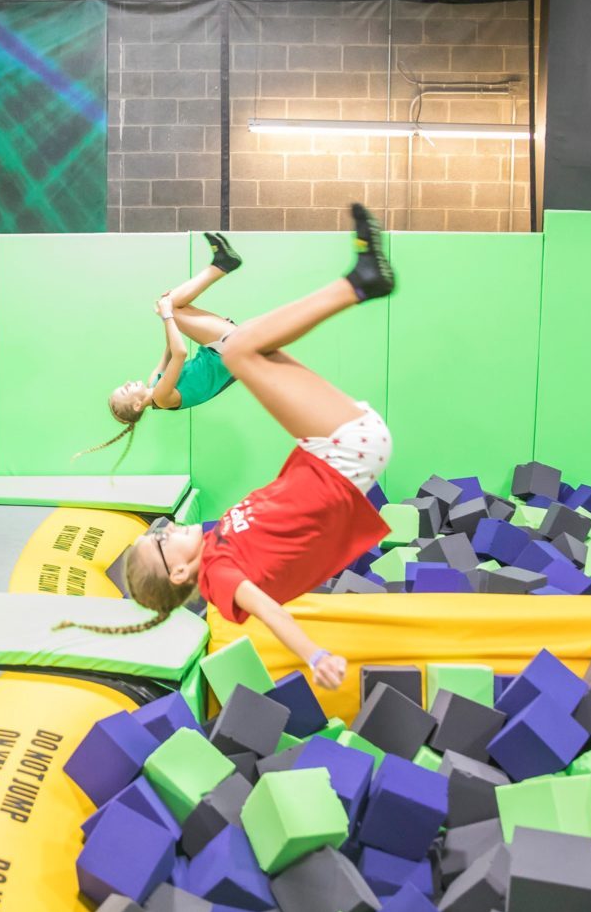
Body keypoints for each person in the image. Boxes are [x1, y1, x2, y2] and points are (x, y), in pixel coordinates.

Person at [56, 204, 396, 691]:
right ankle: (358, 282)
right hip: (341, 459)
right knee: (238, 348)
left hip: (327, 452)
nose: (165, 526)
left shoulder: (215, 544)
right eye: (160, 538)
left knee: (248, 343)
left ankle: (356, 281)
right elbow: (268, 610)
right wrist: (314, 654)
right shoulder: (219, 574)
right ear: (179, 571)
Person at [76, 232, 243, 469]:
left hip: (217, 346)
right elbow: (180, 353)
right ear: (137, 405)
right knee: (169, 307)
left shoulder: (154, 382)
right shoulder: (162, 398)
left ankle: (222, 264)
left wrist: (167, 314)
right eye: (125, 389)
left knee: (170, 304)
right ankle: (222, 265)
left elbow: (169, 349)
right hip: (226, 350)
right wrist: (166, 315)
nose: (127, 382)